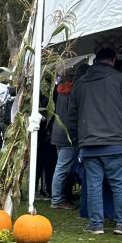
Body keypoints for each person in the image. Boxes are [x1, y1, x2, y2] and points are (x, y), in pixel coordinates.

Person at [67, 48, 122, 234]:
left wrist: (78, 139)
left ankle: (96, 224)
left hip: (89, 142)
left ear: (96, 60)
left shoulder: (80, 83)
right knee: (120, 184)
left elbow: (72, 115)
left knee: (93, 184)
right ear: (113, 60)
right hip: (116, 142)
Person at [50, 66, 84, 209]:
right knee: (62, 168)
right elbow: (73, 115)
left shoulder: (59, 91)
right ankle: (57, 199)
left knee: (61, 167)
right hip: (68, 134)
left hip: (58, 132)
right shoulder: (73, 92)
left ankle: (60, 196)